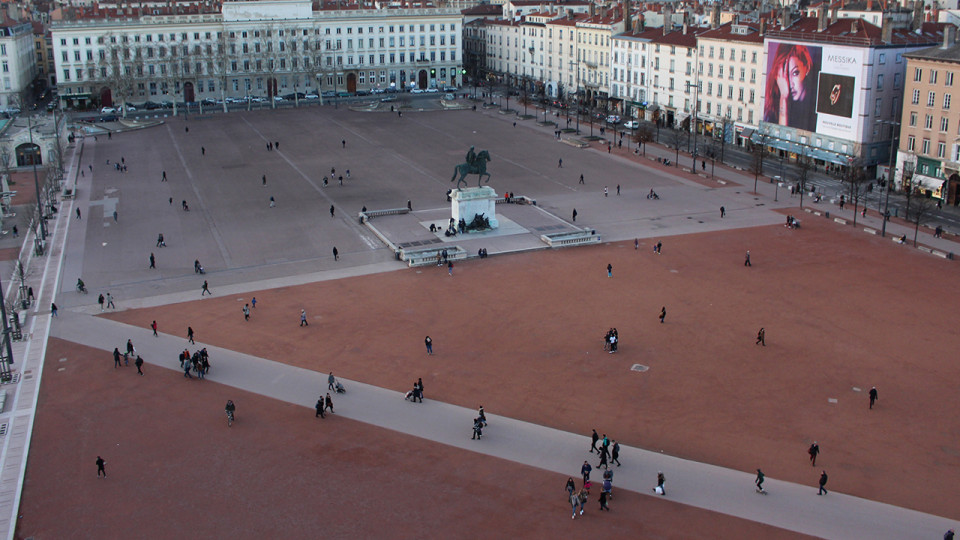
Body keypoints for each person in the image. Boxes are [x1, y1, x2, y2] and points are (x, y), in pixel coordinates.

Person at [763, 43, 818, 132]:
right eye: (785, 76)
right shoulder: (775, 109)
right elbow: (779, 134)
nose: (789, 83)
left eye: (795, 73)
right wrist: (783, 97)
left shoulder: (816, 106)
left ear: (807, 67)